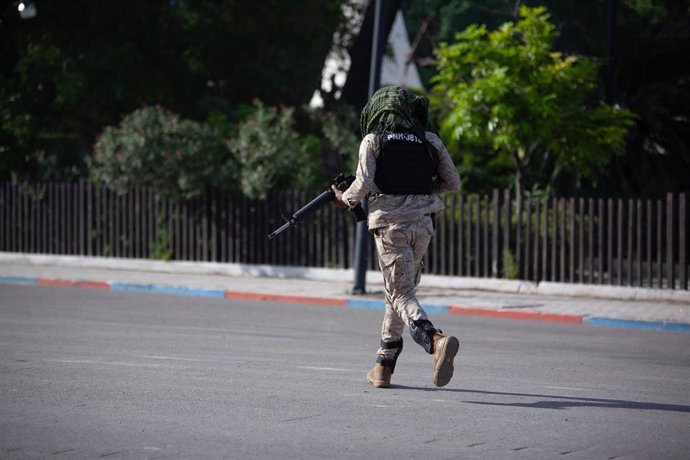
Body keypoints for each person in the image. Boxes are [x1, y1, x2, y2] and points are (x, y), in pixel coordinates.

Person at [332, 85, 461, 388]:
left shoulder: (373, 140)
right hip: (424, 224)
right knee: (399, 290)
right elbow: (452, 182)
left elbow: (362, 184)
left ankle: (434, 340)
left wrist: (344, 199)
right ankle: (383, 365)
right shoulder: (428, 139)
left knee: (402, 293)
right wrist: (420, 191)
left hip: (391, 227)